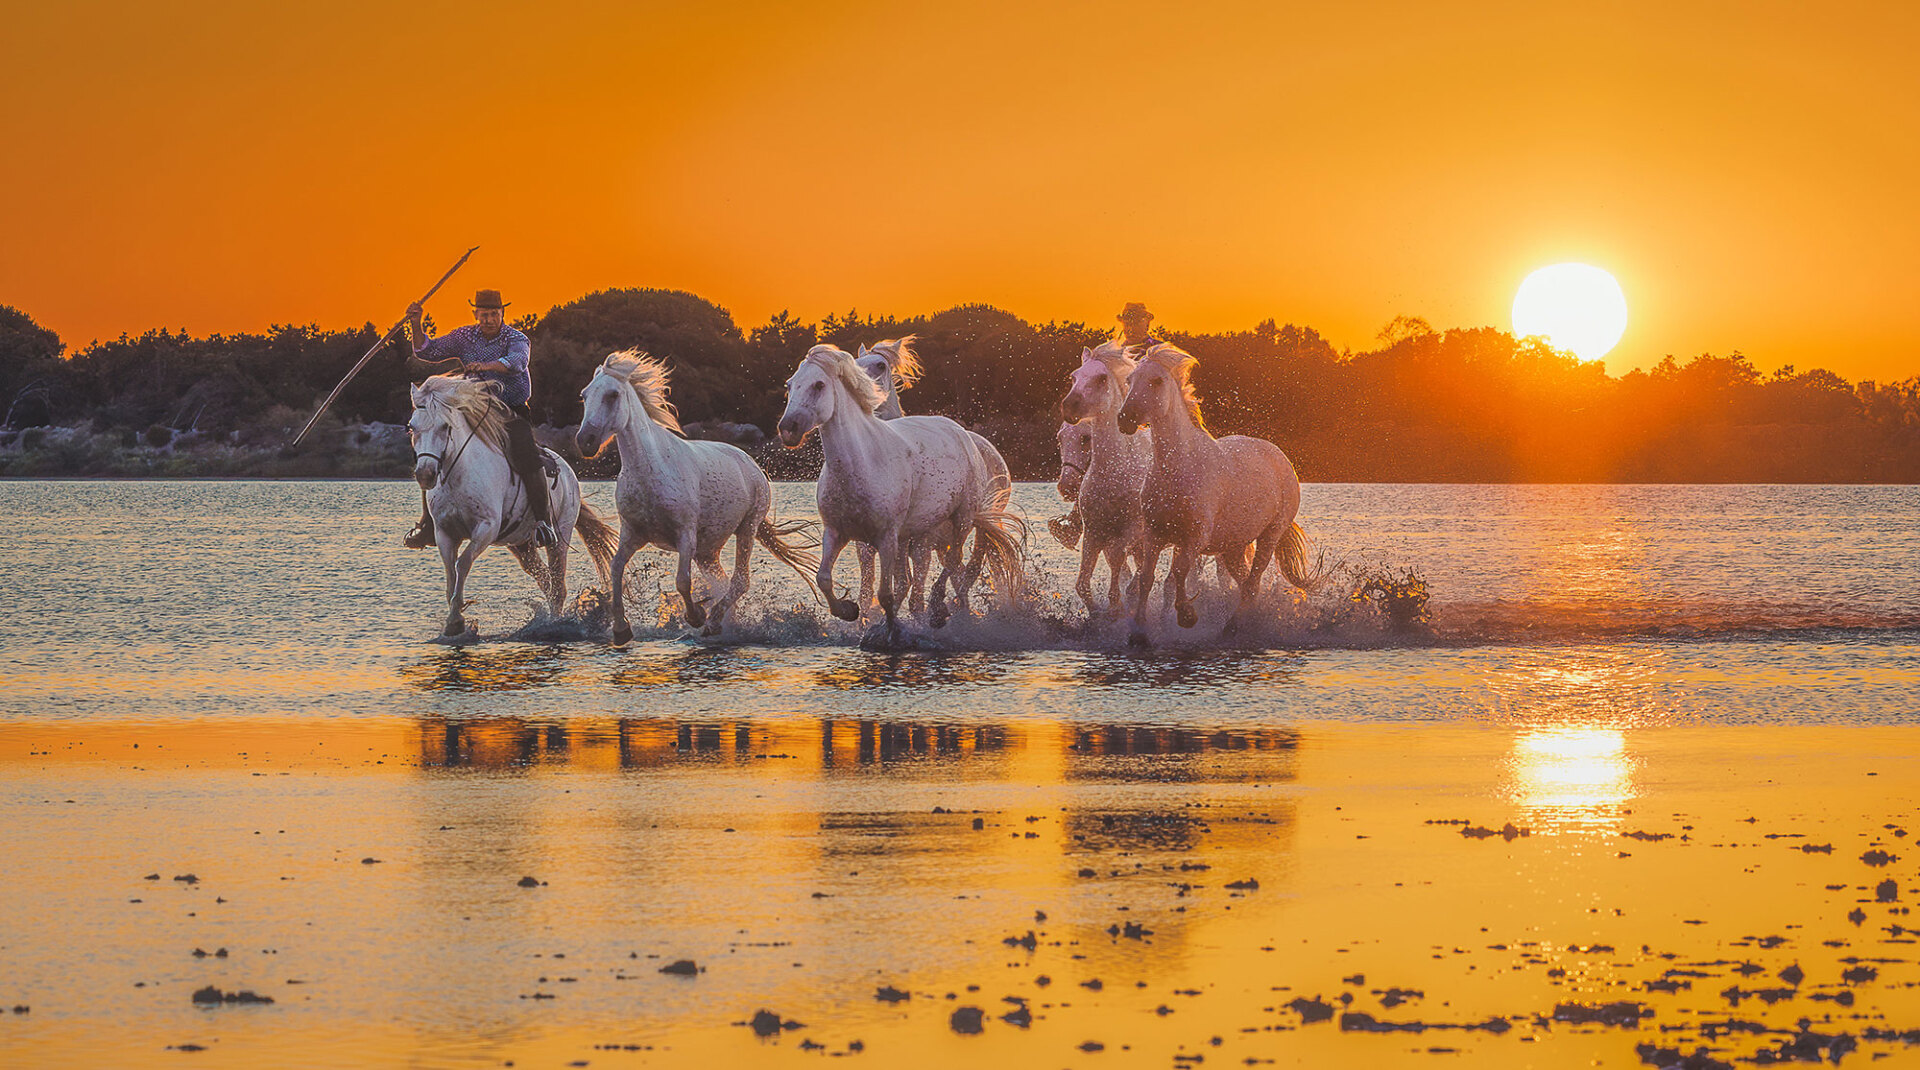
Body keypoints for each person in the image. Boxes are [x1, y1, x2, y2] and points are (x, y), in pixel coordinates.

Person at [402, 288, 556, 549]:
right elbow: (427, 351)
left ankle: (543, 523)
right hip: (471, 409)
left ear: (502, 313)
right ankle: (428, 523)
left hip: (510, 409)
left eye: (493, 314)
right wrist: (416, 324)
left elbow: (517, 363)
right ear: (475, 313)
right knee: (432, 445)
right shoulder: (463, 336)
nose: (488, 319)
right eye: (483, 314)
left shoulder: (516, 338)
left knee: (526, 452)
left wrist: (486, 366)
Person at [1052, 302, 1164, 548]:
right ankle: (1077, 518)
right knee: (1090, 446)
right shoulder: (1111, 351)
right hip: (1114, 417)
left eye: (1137, 320)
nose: (1132, 325)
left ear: (1147, 322)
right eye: (1128, 320)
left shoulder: (1157, 350)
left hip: (1148, 417)